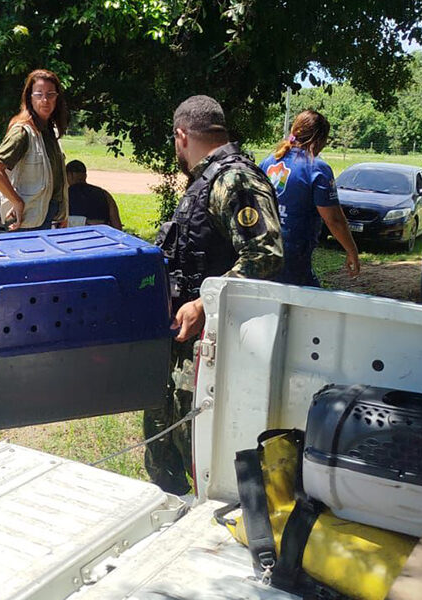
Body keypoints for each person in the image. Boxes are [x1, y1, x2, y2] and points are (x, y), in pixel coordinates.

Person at [145, 95, 284, 496]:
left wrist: (205, 303)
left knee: (202, 451)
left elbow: (266, 255)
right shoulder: (209, 179)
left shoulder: (234, 180)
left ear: (181, 135)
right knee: (166, 445)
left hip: (215, 347)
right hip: (187, 345)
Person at [259, 110, 360, 287]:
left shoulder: (269, 162)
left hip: (263, 248)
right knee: (306, 306)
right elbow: (334, 219)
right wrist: (352, 250)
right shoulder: (317, 168)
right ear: (319, 139)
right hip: (293, 254)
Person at [0, 69, 69, 231]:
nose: (45, 100)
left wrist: (63, 215)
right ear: (29, 98)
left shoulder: (49, 130)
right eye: (39, 94)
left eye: (50, 94)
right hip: (27, 220)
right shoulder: (22, 131)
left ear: (57, 98)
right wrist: (16, 201)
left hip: (49, 216)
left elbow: (56, 179)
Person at [65, 160, 123, 229]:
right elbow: (117, 225)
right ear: (85, 175)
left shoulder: (64, 196)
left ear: (70, 175)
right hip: (100, 234)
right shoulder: (104, 194)